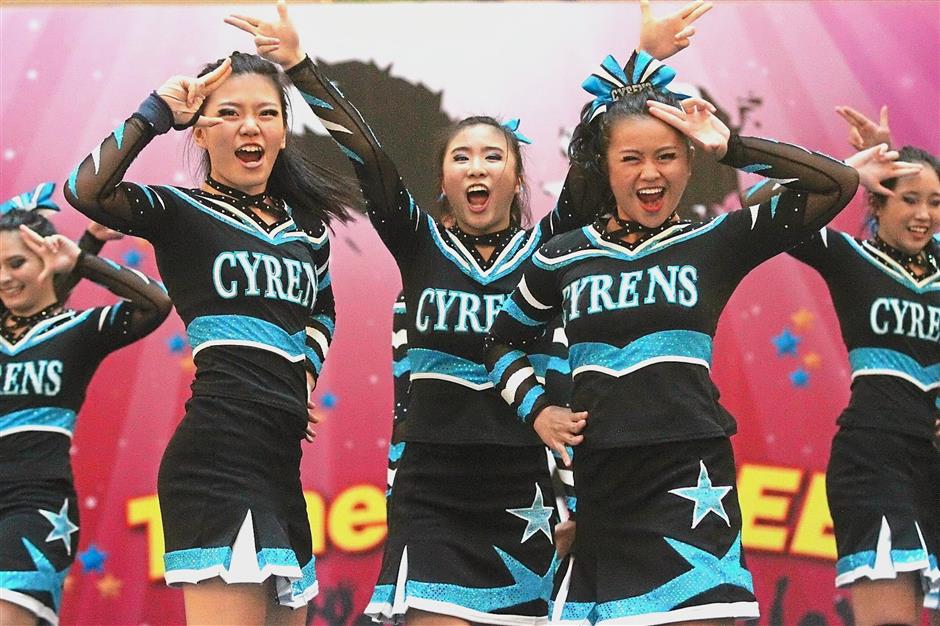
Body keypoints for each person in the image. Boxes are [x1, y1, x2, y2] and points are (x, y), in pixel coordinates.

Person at [483, 48, 859, 624]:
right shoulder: (562, 256)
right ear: (604, 167)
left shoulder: (715, 241)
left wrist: (732, 148)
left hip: (693, 477)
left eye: (667, 156)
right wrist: (537, 410)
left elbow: (838, 184)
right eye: (631, 158)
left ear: (688, 161)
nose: (650, 174)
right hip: (605, 486)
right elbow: (500, 342)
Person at [63, 48, 355, 624]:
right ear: (199, 131)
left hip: (280, 467)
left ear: (283, 132)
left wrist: (302, 373)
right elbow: (85, 190)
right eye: (229, 113)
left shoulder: (307, 231)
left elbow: (323, 308)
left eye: (266, 113)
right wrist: (155, 112)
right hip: (217, 462)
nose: (250, 127)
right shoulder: (179, 211)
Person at [781, 145, 938, 626]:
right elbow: (765, 209)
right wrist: (846, 174)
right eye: (909, 199)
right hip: (874, 462)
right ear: (877, 202)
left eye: (935, 202)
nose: (924, 214)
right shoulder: (851, 257)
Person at [0, 208, 171, 626]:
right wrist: (89, 243)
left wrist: (81, 258)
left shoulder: (77, 331)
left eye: (17, 263)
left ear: (49, 258)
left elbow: (156, 303)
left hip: (34, 509)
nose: (4, 277)